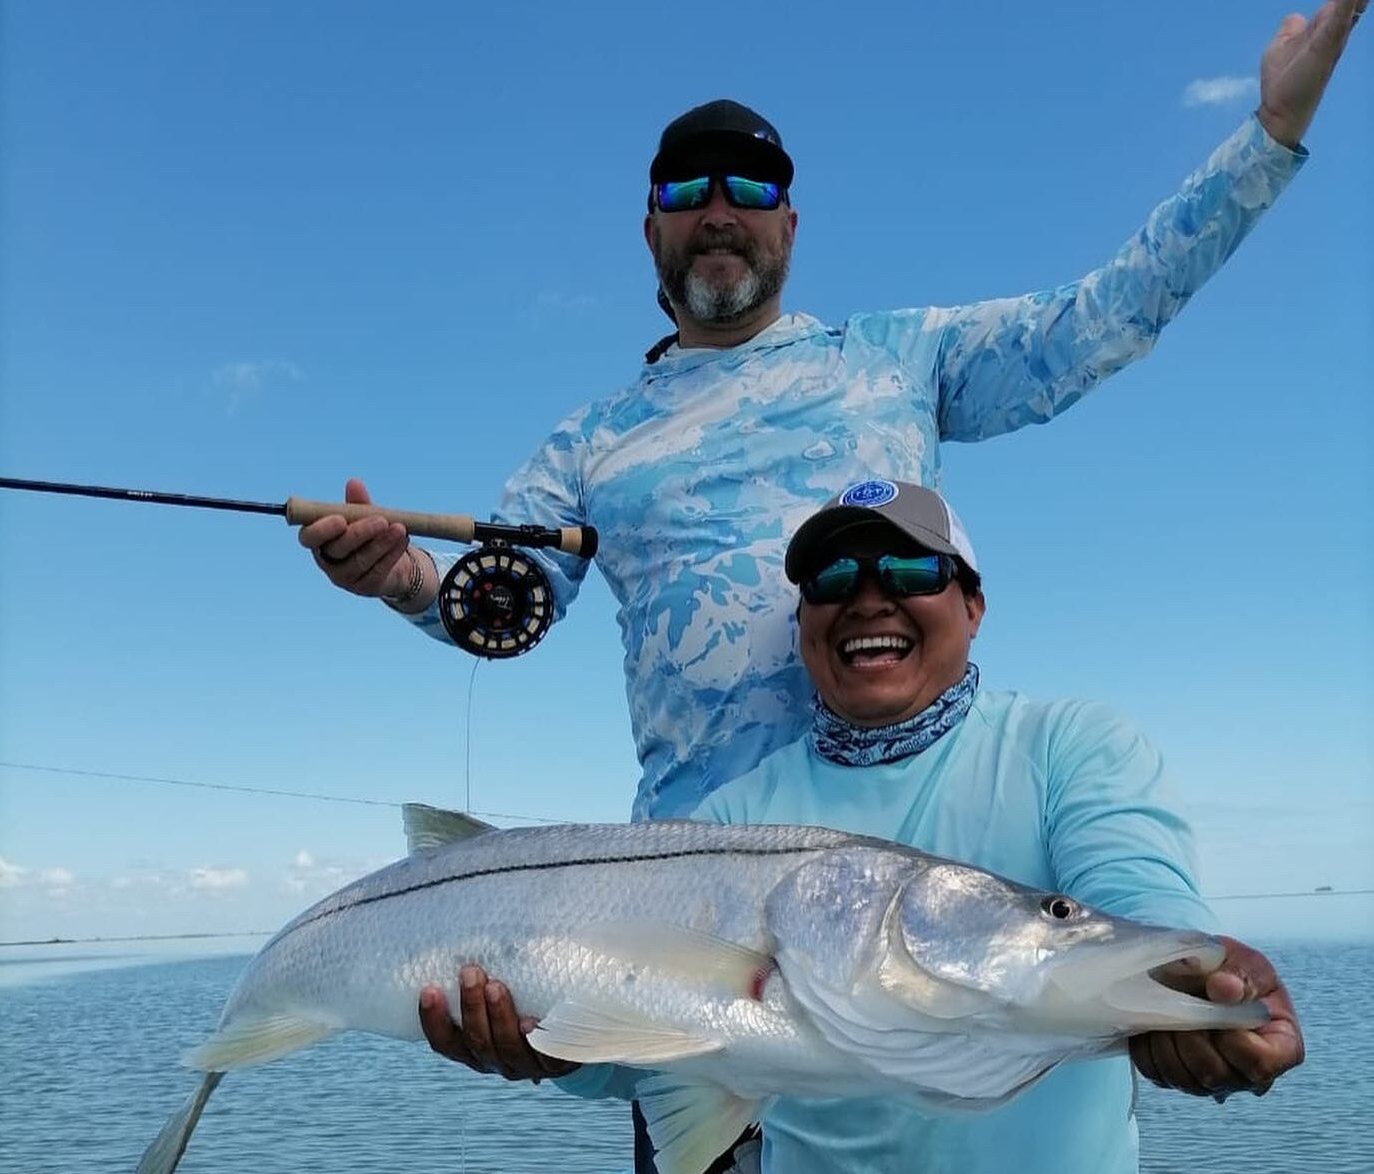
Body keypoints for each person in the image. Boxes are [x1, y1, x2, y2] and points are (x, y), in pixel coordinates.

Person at [299, 3, 1364, 826]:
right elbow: (503, 605)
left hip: (903, 889)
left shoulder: (901, 357)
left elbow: (1106, 318)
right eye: (688, 193)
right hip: (693, 921)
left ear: (790, 227)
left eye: (750, 192)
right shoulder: (586, 443)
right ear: (650, 233)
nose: (720, 211)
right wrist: (401, 579)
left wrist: (1270, 133)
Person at [434, 478, 1305, 1174]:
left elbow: (1139, 895)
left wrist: (1195, 977)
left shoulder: (1066, 746)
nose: (867, 594)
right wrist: (549, 1050)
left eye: (909, 566)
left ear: (971, 603)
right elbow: (661, 1040)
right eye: (831, 578)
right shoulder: (737, 815)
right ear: (806, 624)